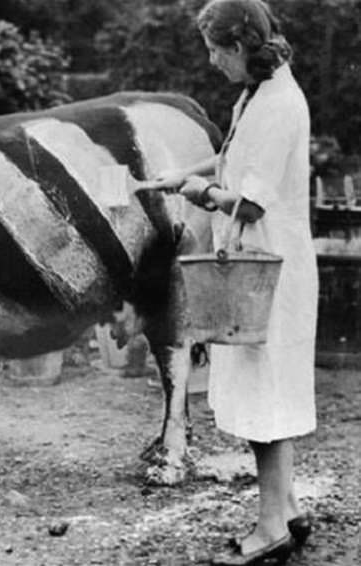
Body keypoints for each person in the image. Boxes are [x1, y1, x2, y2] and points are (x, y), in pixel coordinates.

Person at [154, 1, 318, 564]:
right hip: (258, 263)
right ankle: (289, 507)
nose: (210, 58)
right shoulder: (256, 96)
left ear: (240, 46)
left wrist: (197, 196)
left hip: (267, 266)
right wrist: (186, 176)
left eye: (215, 48)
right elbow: (229, 162)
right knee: (261, 389)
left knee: (264, 395)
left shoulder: (279, 105)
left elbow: (248, 203)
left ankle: (269, 526)